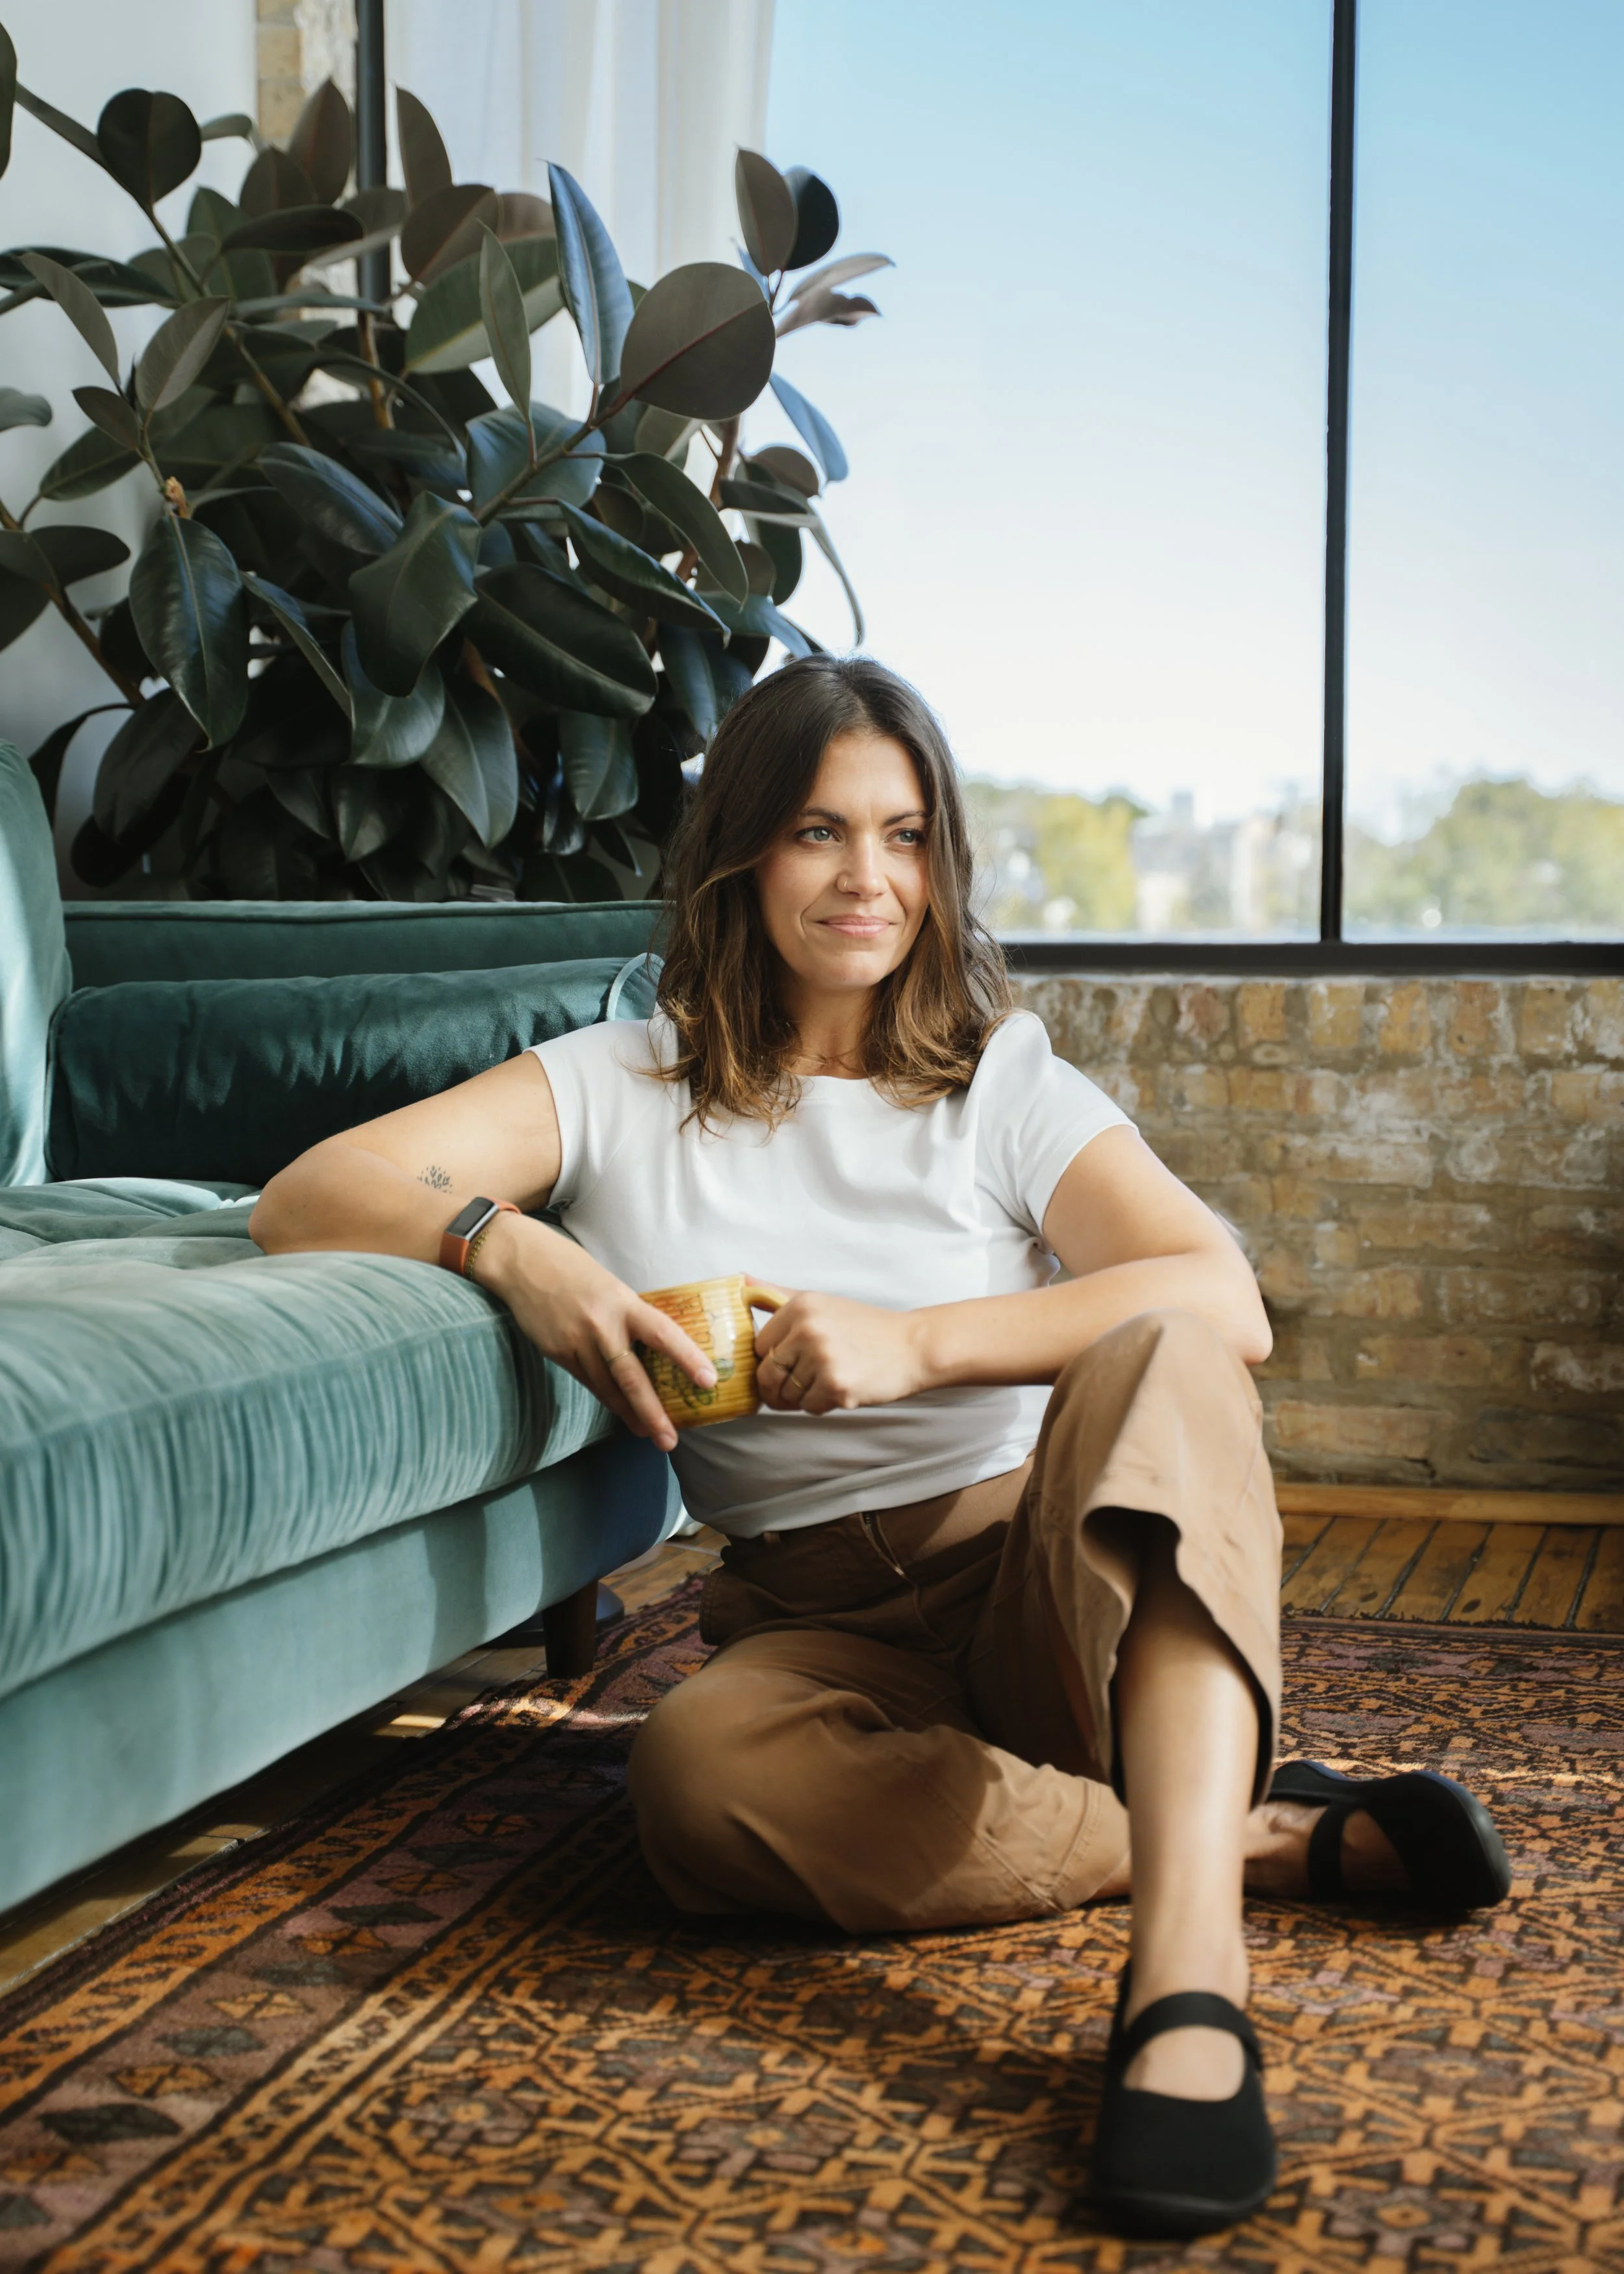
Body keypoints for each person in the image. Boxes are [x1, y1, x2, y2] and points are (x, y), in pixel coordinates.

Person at [252, 655, 1510, 2238]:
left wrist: (913, 1344)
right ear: (740, 853)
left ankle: (1186, 1976)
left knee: (1168, 1351)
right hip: (812, 1627)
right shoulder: (617, 1081)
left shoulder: (996, 1082)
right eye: (818, 832)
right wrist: (517, 1248)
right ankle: (1251, 1830)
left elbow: (1221, 1292)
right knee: (690, 1785)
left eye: (905, 836)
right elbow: (305, 1193)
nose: (867, 879)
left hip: (1047, 1592)